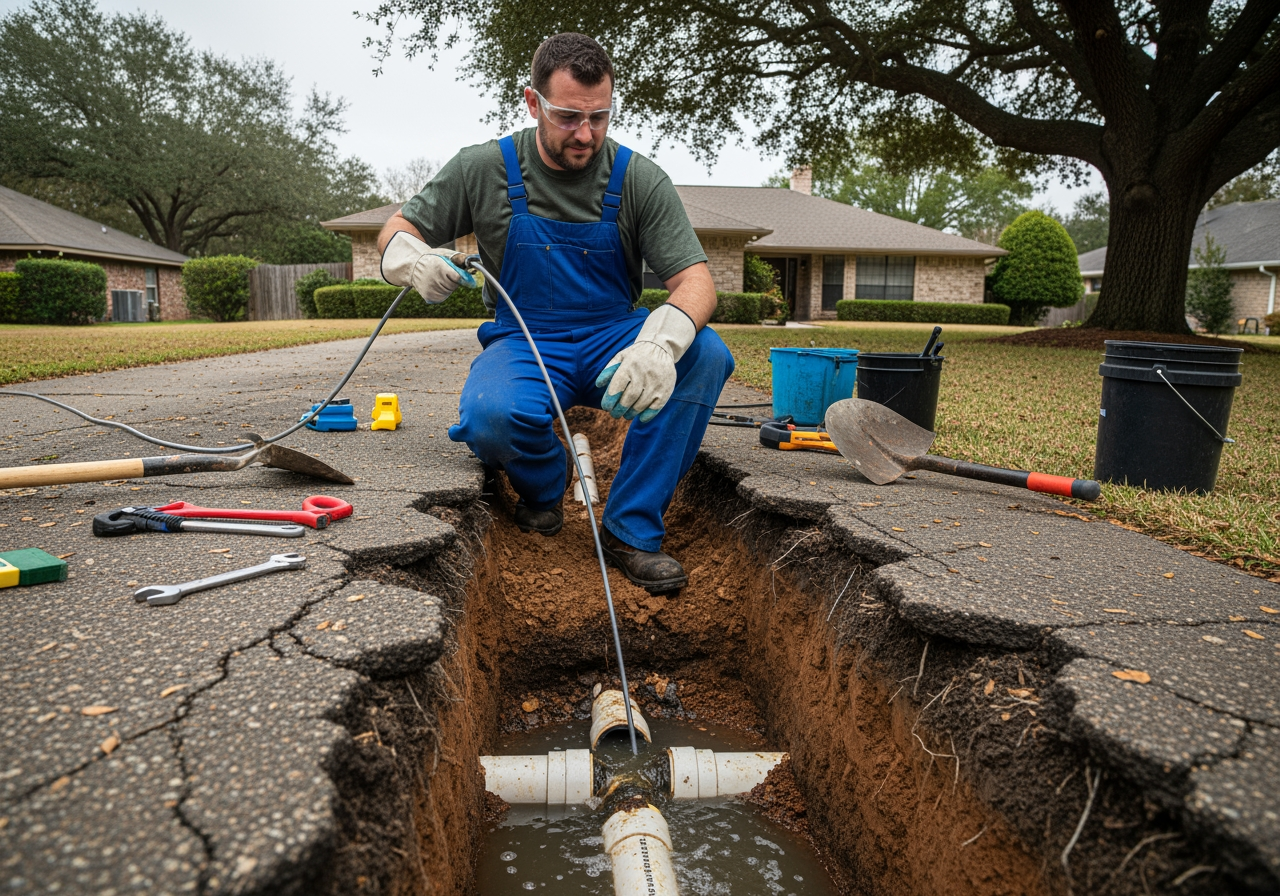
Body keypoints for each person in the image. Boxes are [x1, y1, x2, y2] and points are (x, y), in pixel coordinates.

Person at [377, 32, 734, 594]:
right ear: (532, 102)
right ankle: (546, 484)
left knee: (706, 354)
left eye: (600, 117)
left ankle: (631, 528)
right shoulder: (482, 168)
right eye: (568, 117)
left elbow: (696, 282)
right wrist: (412, 260)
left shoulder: (639, 179)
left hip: (611, 339)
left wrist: (658, 346)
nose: (586, 134)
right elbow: (396, 230)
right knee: (490, 418)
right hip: (523, 340)